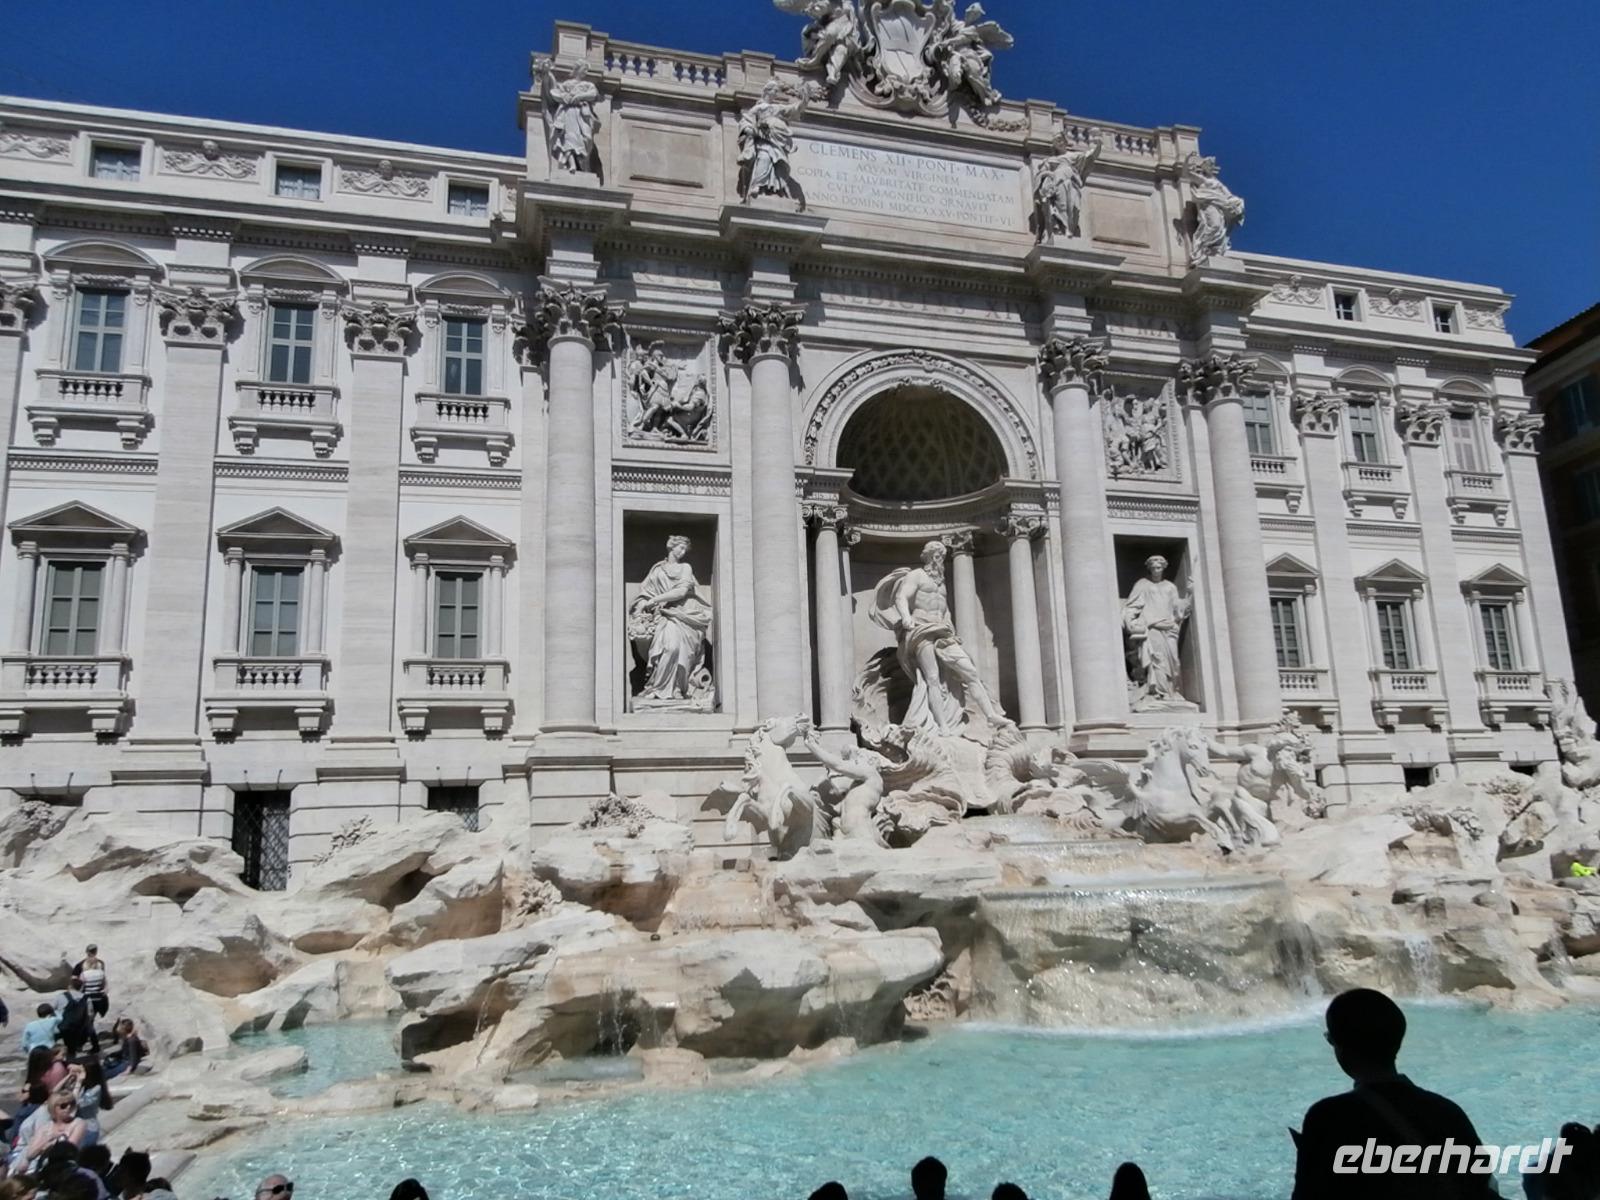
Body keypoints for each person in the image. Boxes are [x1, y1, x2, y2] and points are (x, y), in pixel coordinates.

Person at [1291, 988, 1496, 1198]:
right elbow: (1479, 1184)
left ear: (1340, 1046)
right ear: (1397, 1040)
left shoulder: (1328, 1117)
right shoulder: (1448, 1112)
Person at [870, 540, 1006, 735]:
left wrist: (951, 628)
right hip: (921, 629)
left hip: (942, 632)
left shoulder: (941, 583)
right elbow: (901, 597)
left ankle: (991, 715)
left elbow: (945, 609)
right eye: (935, 554)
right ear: (926, 557)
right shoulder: (916, 575)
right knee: (932, 677)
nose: (939, 558)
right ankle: (942, 726)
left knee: (970, 671)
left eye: (941, 555)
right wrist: (906, 617)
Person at [628, 535, 713, 704]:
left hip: (685, 615)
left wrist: (654, 600)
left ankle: (677, 689)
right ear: (671, 547)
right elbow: (645, 592)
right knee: (670, 648)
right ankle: (657, 688)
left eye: (685, 550)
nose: (683, 552)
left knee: (683, 652)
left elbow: (681, 592)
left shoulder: (685, 568)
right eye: (680, 548)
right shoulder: (657, 570)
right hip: (664, 615)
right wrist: (643, 603)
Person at [72, 948, 109, 1021]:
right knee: (93, 1014)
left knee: (87, 1016)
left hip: (87, 997)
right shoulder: (101, 970)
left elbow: (80, 985)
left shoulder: (83, 971)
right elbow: (104, 985)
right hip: (98, 997)